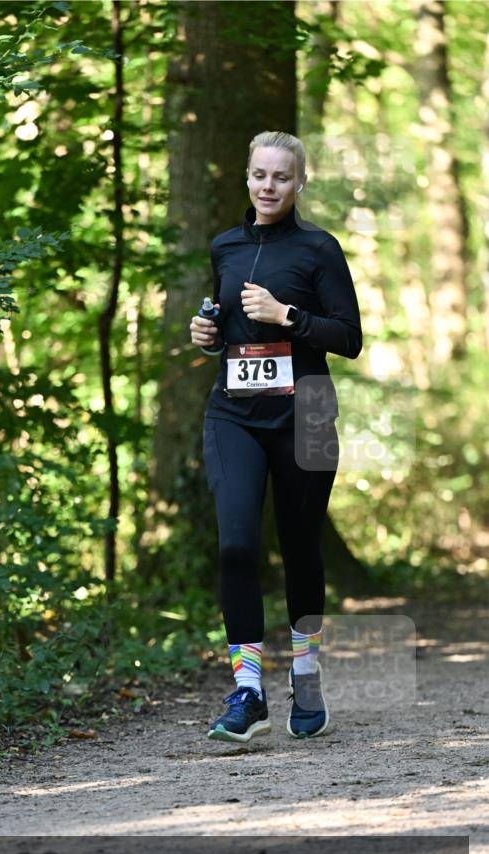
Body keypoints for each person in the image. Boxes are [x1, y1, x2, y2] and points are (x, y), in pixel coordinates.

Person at [189, 130, 363, 744]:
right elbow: (229, 327)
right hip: (234, 414)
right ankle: (248, 692)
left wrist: (288, 316)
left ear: (299, 183)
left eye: (281, 177)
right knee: (236, 545)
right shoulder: (225, 246)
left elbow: (349, 337)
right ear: (247, 177)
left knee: (300, 546)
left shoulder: (319, 248)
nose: (269, 186)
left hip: (306, 414)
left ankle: (306, 674)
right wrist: (209, 334)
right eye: (260, 175)